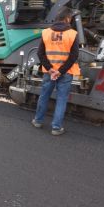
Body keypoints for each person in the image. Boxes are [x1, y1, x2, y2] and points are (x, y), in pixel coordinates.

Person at [32, 7, 80, 135]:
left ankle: (38, 121)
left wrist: (51, 69)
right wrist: (61, 71)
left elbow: (40, 53)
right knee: (61, 99)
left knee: (44, 95)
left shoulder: (46, 32)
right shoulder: (72, 34)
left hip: (49, 73)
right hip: (66, 73)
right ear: (67, 18)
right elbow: (74, 55)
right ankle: (56, 128)